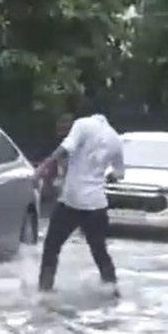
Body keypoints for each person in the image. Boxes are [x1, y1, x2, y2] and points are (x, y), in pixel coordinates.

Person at [35, 103, 125, 295]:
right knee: (99, 251)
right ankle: (113, 289)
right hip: (96, 205)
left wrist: (44, 166)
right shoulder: (116, 139)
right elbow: (118, 174)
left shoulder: (83, 124)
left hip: (72, 201)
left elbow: (66, 147)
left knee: (52, 246)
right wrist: (103, 176)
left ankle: (44, 290)